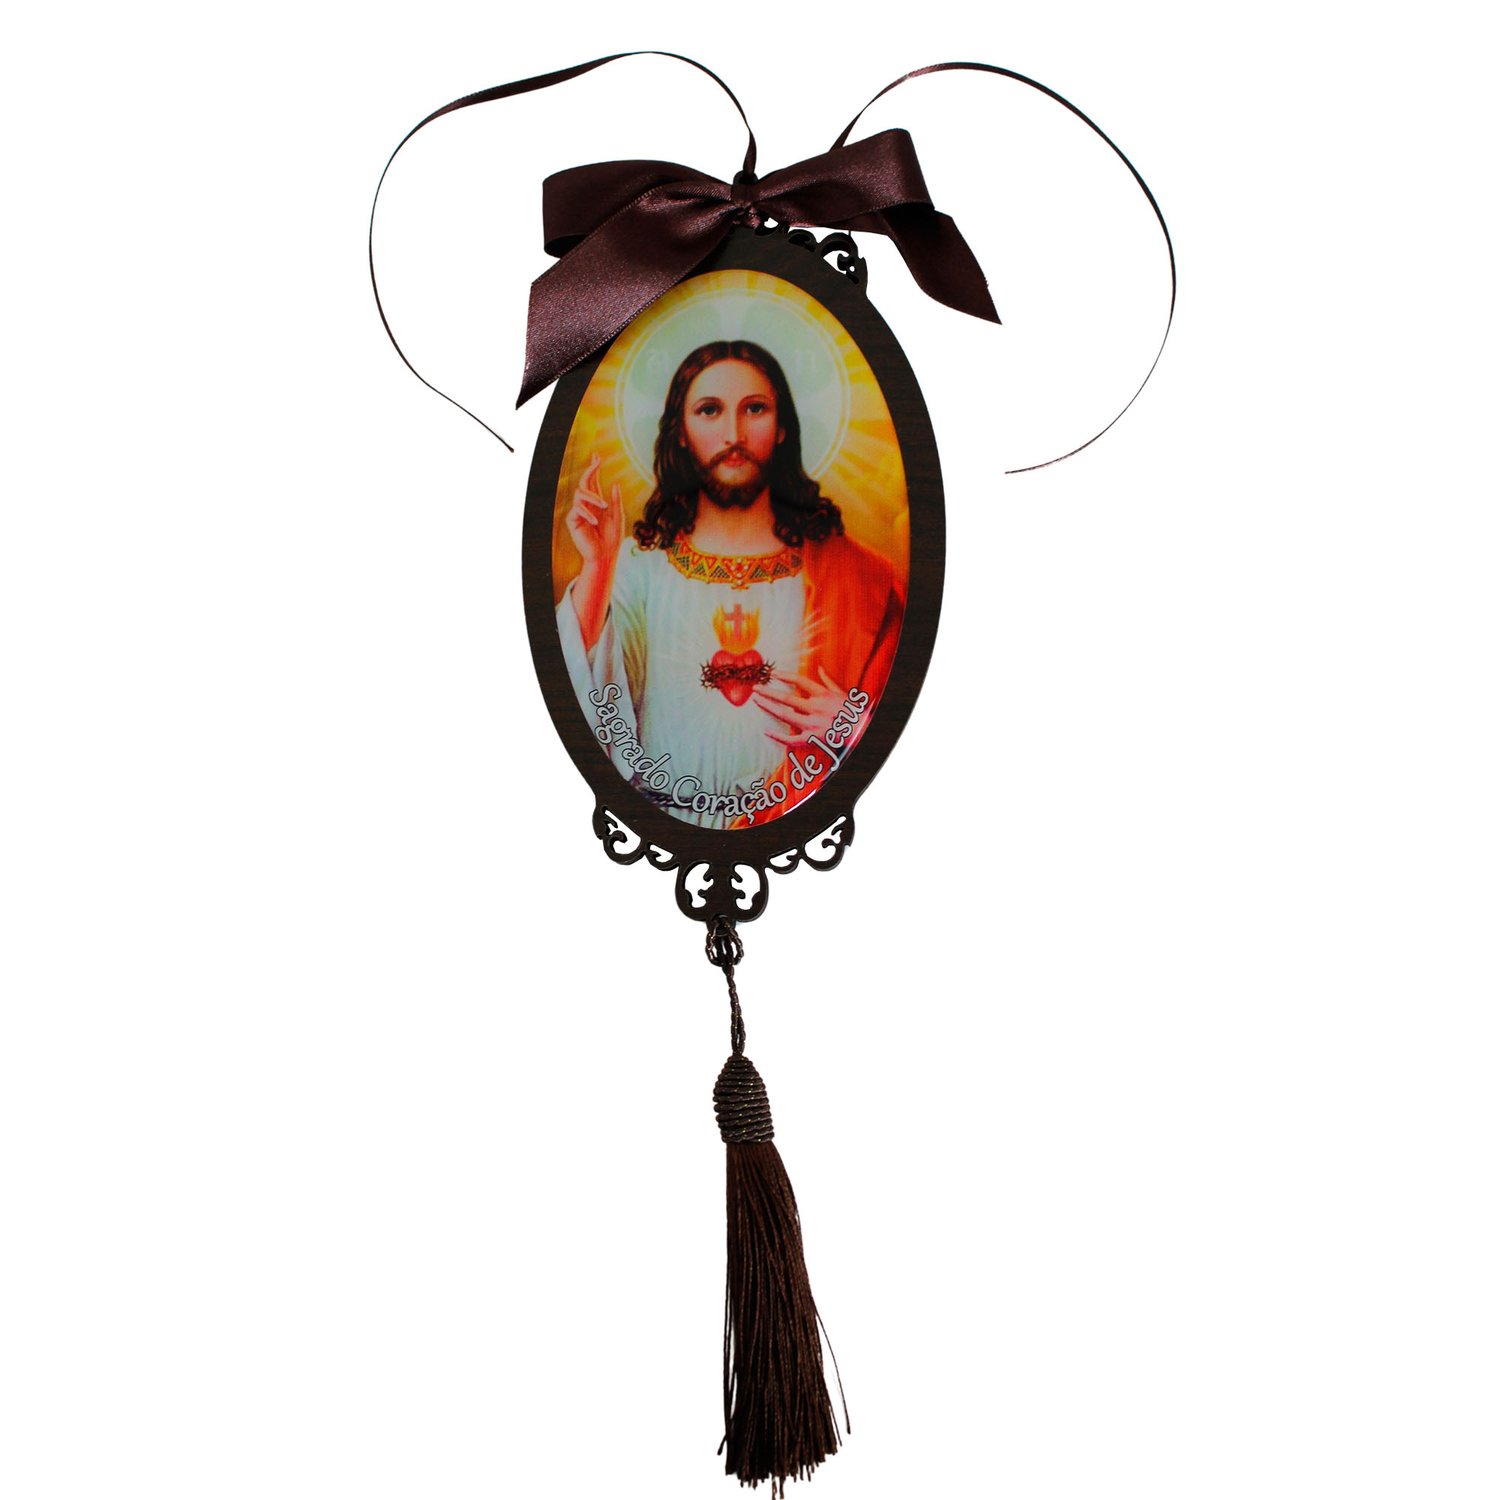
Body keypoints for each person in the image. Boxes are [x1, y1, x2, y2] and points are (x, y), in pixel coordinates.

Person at [557, 339, 905, 829]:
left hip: (792, 821)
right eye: (710, 410)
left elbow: (901, 725)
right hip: (667, 823)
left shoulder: (855, 577)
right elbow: (596, 719)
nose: (733, 434)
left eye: (754, 409)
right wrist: (596, 570)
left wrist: (855, 727)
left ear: (782, 428)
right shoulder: (638, 567)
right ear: (680, 432)